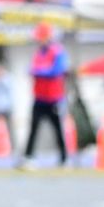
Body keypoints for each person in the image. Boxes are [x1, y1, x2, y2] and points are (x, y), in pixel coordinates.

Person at [19, 21, 67, 169]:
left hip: (53, 98)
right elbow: (29, 68)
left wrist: (39, 71)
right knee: (33, 128)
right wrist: (35, 70)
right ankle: (28, 157)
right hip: (39, 98)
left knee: (57, 129)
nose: (39, 40)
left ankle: (63, 158)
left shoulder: (57, 51)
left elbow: (57, 70)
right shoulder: (38, 53)